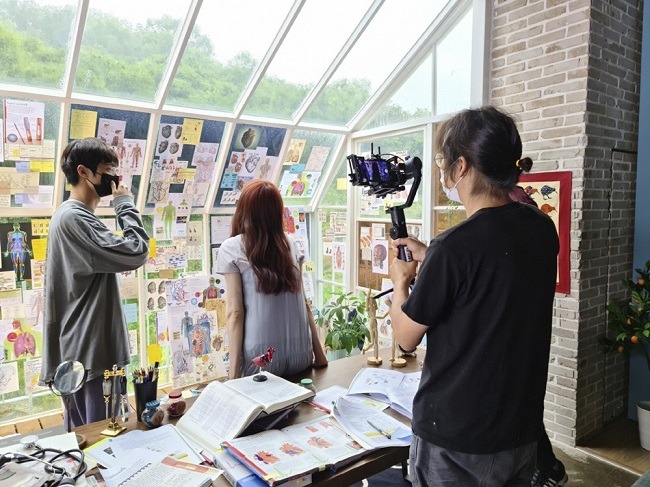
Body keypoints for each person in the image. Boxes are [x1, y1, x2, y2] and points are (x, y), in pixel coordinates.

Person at [388, 106, 559, 486]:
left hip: (457, 439)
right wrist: (430, 255)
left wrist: (401, 281)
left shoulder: (454, 248)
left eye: (442, 162)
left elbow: (405, 337)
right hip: (520, 428)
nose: (442, 171)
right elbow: (495, 267)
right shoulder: (541, 227)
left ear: (461, 166)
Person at [39, 137, 149, 427]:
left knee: (90, 436)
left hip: (84, 349)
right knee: (102, 438)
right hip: (91, 353)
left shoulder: (70, 215)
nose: (115, 178)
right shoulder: (75, 218)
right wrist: (124, 205)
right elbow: (137, 251)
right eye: (108, 170)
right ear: (84, 171)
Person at [216, 179, 328, 379]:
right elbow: (305, 304)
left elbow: (235, 313)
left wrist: (233, 378)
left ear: (244, 211)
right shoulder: (290, 243)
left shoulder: (232, 247)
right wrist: (319, 356)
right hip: (301, 357)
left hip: (261, 363)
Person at [510, 172, 569, 487]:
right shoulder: (537, 219)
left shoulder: (517, 207)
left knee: (525, 408)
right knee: (527, 407)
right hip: (525, 324)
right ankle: (546, 467)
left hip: (519, 327)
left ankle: (548, 469)